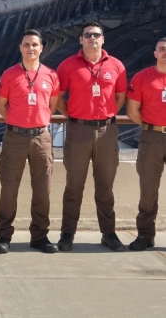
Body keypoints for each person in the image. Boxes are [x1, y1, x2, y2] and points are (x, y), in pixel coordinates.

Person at [56, 21, 126, 252]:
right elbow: (58, 97)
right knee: (74, 186)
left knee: (105, 187)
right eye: (87, 35)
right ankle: (67, 235)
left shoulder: (116, 66)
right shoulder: (68, 66)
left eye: (96, 34)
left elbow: (120, 96)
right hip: (78, 131)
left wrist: (107, 115)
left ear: (103, 39)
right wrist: (74, 115)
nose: (92, 38)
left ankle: (109, 234)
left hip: (107, 131)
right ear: (81, 40)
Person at [0, 29, 60, 254]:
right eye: (26, 44)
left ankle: (40, 236)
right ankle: (4, 236)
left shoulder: (51, 75)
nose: (30, 48)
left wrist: (35, 122)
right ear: (20, 48)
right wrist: (18, 121)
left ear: (41, 48)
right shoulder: (10, 74)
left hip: (41, 137)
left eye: (34, 44)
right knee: (9, 188)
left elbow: (52, 106)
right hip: (15, 137)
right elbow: (1, 106)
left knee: (42, 189)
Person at [126, 37, 166, 251]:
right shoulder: (142, 78)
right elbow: (133, 112)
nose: (165, 52)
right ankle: (145, 235)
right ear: (155, 53)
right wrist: (153, 126)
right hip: (152, 137)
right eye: (161, 49)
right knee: (148, 189)